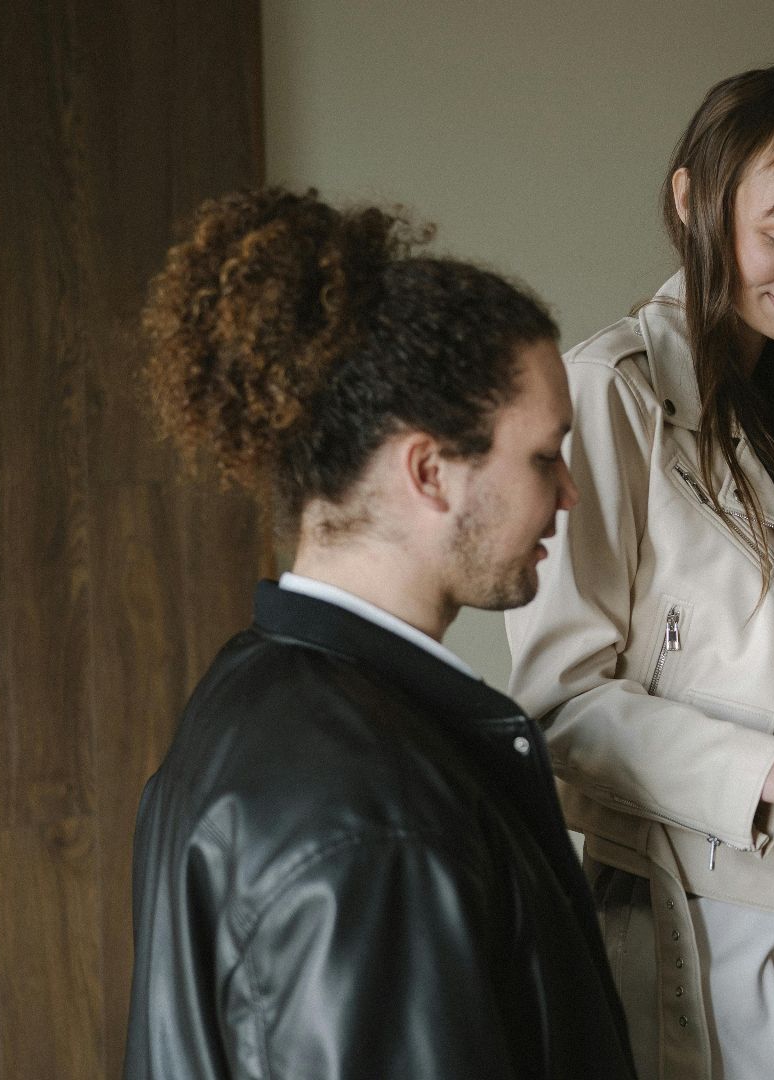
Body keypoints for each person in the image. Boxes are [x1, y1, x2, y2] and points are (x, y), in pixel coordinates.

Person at [124, 188, 634, 1080]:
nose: (568, 495)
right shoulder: (373, 810)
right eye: (545, 457)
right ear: (431, 472)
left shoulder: (252, 696)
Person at [506, 67, 774, 1080]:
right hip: (690, 911)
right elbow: (559, 703)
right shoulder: (610, 392)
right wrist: (773, 771)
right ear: (692, 201)